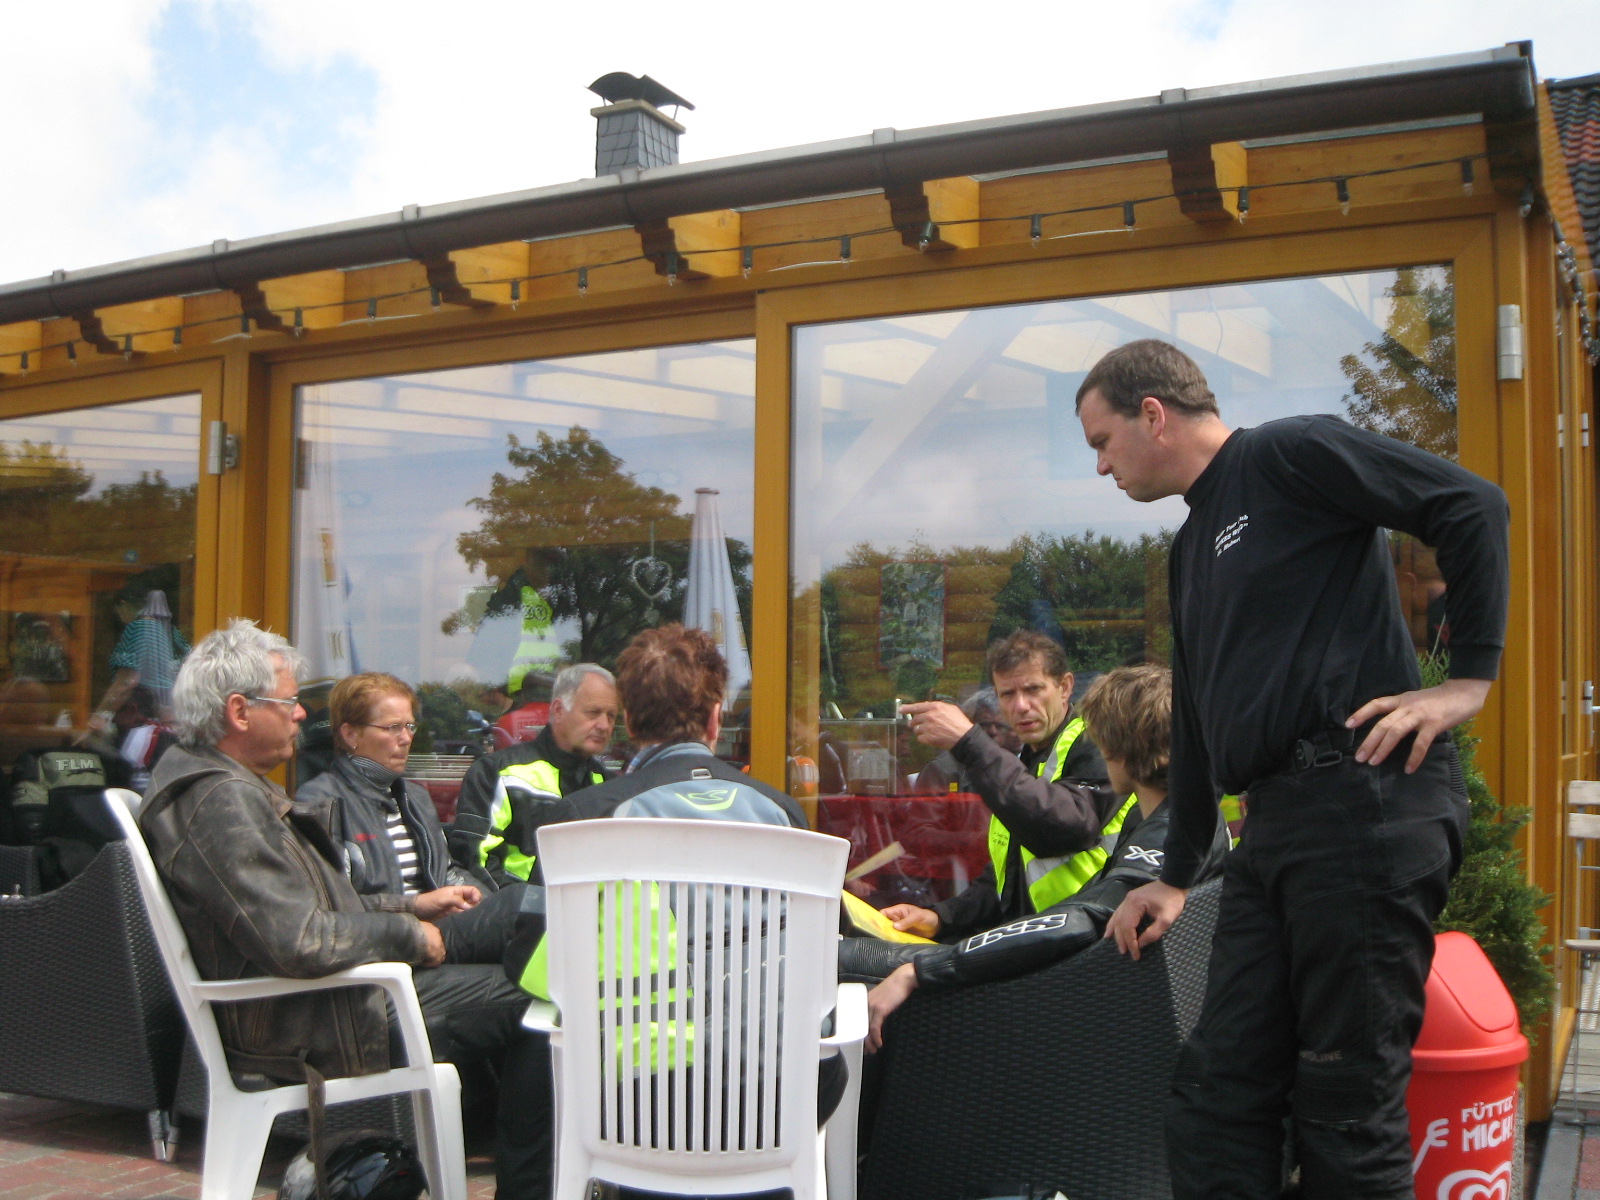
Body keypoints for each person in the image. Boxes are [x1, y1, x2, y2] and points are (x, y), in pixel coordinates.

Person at [1080, 339, 1507, 1199]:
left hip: (1364, 805)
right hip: (1274, 830)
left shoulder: (1289, 453)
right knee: (1216, 1094)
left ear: (1153, 415)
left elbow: (1472, 504)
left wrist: (1468, 681)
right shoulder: (1190, 547)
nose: (1101, 467)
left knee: (1345, 1109)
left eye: (1102, 441)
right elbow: (1198, 720)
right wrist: (1175, 874)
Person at [138, 620, 551, 1198]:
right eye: (288, 703)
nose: (301, 715)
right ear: (239, 711)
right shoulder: (221, 801)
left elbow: (313, 910)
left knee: (525, 915)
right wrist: (409, 934)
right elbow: (298, 940)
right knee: (547, 994)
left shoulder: (224, 787)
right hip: (327, 1011)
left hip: (337, 990)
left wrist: (411, 904)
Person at [860, 664, 1229, 1050]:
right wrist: (943, 919)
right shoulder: (1162, 816)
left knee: (854, 961)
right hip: (1097, 995)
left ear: (1115, 746)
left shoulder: (1170, 831)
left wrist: (922, 971)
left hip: (1074, 1011)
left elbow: (1076, 921)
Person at [888, 631, 1126, 941]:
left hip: (1092, 939)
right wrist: (940, 917)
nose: (1021, 706)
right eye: (1008, 694)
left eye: (1033, 689)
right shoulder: (1030, 756)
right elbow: (1007, 877)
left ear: (1065, 687)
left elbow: (1063, 832)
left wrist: (969, 743)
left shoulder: (1095, 743)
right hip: (1045, 936)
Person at [295, 672, 527, 965]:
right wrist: (416, 906)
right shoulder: (320, 802)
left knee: (526, 920)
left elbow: (445, 870)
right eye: (392, 727)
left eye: (410, 726)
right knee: (521, 910)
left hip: (435, 937)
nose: (406, 739)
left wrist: (477, 901)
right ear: (351, 735)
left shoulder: (414, 797)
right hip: (387, 950)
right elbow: (329, 909)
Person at [448, 663, 618, 889]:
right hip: (515, 907)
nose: (604, 725)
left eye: (611, 716)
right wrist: (526, 906)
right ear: (558, 710)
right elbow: (475, 860)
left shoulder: (609, 784)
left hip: (591, 909)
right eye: (593, 713)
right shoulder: (497, 773)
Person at [910, 687, 1021, 795]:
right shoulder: (942, 771)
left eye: (1000, 726)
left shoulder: (1017, 766)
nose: (993, 731)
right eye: (984, 725)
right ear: (967, 724)